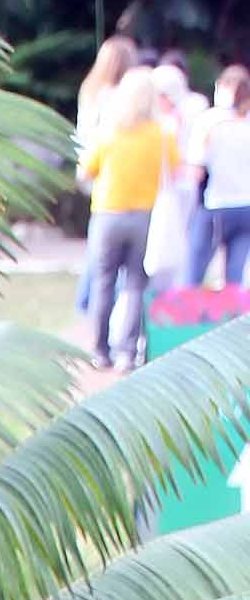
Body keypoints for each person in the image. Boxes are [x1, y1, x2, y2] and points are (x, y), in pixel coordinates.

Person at [77, 69, 175, 369]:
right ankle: (127, 352)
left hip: (108, 213)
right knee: (135, 283)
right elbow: (175, 169)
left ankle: (99, 350)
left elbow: (85, 171)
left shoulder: (109, 131)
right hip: (145, 216)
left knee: (104, 281)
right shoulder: (160, 134)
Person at [74, 37, 137, 313]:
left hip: (94, 171)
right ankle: (100, 303)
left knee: (99, 241)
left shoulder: (90, 92)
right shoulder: (124, 97)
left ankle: (88, 301)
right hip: (118, 173)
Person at [145, 63, 204, 294]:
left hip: (177, 188)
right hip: (166, 189)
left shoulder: (184, 115)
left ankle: (171, 297)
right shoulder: (161, 120)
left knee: (175, 247)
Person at [191, 65, 250, 286]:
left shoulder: (210, 121)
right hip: (246, 206)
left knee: (196, 269)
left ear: (223, 88)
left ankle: (190, 315)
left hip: (217, 204)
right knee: (234, 276)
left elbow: (196, 167)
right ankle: (232, 317)